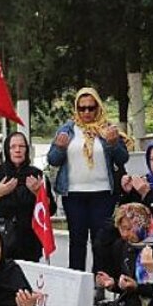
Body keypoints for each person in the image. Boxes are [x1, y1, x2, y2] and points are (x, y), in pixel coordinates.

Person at [47, 87, 130, 271]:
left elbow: (123, 158)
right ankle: (76, 283)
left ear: (98, 107)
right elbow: (52, 159)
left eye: (91, 108)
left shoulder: (108, 129)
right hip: (74, 194)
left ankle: (99, 284)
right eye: (82, 108)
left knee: (100, 242)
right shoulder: (67, 130)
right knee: (77, 241)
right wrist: (60, 148)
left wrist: (114, 143)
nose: (86, 112)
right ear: (76, 108)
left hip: (102, 193)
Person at [0, 132, 56, 262]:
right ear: (7, 150)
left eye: (21, 146)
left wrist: (37, 192)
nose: (17, 150)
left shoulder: (36, 175)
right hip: (0, 240)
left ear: (27, 150)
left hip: (29, 242)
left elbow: (50, 211)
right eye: (13, 147)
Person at [95, 203, 153, 306]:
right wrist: (113, 284)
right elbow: (125, 285)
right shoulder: (123, 247)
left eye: (129, 228)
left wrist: (137, 287)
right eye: (121, 229)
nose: (125, 234)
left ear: (143, 224)